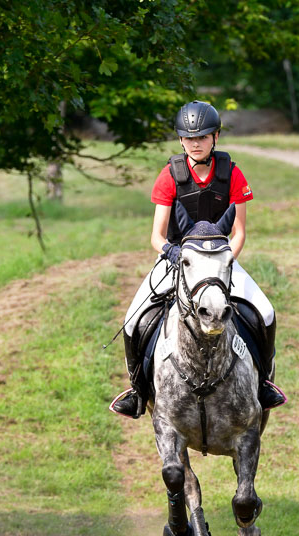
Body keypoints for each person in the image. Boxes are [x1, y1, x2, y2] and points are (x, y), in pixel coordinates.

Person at [111, 100, 285, 418]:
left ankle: (263, 385)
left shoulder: (232, 173)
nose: (196, 143)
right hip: (177, 260)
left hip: (220, 261)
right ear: (180, 140)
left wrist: (226, 262)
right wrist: (171, 252)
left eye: (202, 137)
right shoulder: (169, 176)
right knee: (133, 318)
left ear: (215, 137)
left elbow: (240, 232)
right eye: (189, 138)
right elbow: (156, 236)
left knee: (266, 311)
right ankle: (137, 391)